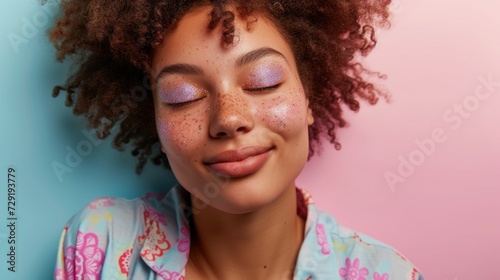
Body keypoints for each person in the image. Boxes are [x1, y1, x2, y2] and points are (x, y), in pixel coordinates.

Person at [50, 0, 424, 279]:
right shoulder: (103, 242)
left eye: (264, 80)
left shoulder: (387, 274)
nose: (229, 119)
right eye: (183, 95)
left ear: (309, 98)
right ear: (155, 122)